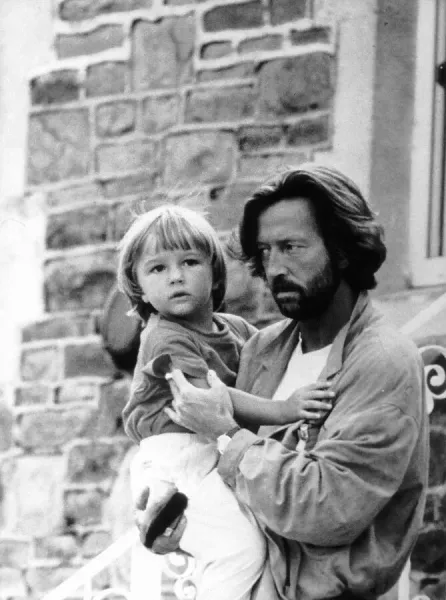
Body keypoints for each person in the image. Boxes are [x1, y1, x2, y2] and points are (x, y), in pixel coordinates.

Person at [139, 165, 430, 600]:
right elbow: (221, 479)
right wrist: (168, 519)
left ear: (343, 251)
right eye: (265, 251)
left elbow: (326, 508)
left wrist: (226, 434)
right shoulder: (262, 348)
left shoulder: (383, 362)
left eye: (292, 247)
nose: (274, 268)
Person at [116, 204, 334, 600]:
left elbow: (274, 346)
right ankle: (164, 505)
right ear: (140, 288)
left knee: (258, 539)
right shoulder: (164, 335)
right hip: (177, 455)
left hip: (210, 449)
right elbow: (212, 397)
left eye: (189, 262)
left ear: (216, 272)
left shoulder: (232, 328)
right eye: (157, 269)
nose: (176, 276)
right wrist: (286, 409)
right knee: (238, 549)